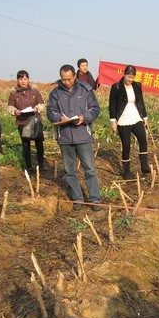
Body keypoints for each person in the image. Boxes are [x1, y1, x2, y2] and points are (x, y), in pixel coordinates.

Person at [47, 64, 102, 211]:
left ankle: (95, 199)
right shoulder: (55, 93)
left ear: (75, 77)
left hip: (83, 135)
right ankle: (78, 198)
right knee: (69, 171)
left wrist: (84, 117)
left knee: (89, 169)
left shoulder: (86, 90)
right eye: (63, 79)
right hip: (65, 137)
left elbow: (95, 109)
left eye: (69, 79)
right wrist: (59, 117)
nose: (66, 82)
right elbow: (50, 112)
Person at [109, 65, 151, 179]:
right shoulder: (116, 87)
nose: (130, 79)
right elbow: (112, 105)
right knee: (126, 146)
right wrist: (113, 121)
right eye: (128, 77)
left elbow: (141, 102)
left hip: (136, 117)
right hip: (123, 120)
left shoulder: (137, 86)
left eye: (132, 77)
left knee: (143, 139)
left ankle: (144, 166)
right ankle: (126, 171)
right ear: (124, 75)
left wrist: (145, 117)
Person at [8, 70, 45, 173]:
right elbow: (10, 107)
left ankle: (41, 164)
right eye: (21, 79)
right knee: (25, 145)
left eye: (25, 79)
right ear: (17, 80)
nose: (23, 81)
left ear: (28, 79)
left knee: (39, 143)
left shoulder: (34, 91)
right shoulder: (14, 93)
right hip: (22, 122)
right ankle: (29, 167)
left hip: (35, 120)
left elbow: (42, 104)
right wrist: (15, 111)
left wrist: (37, 108)